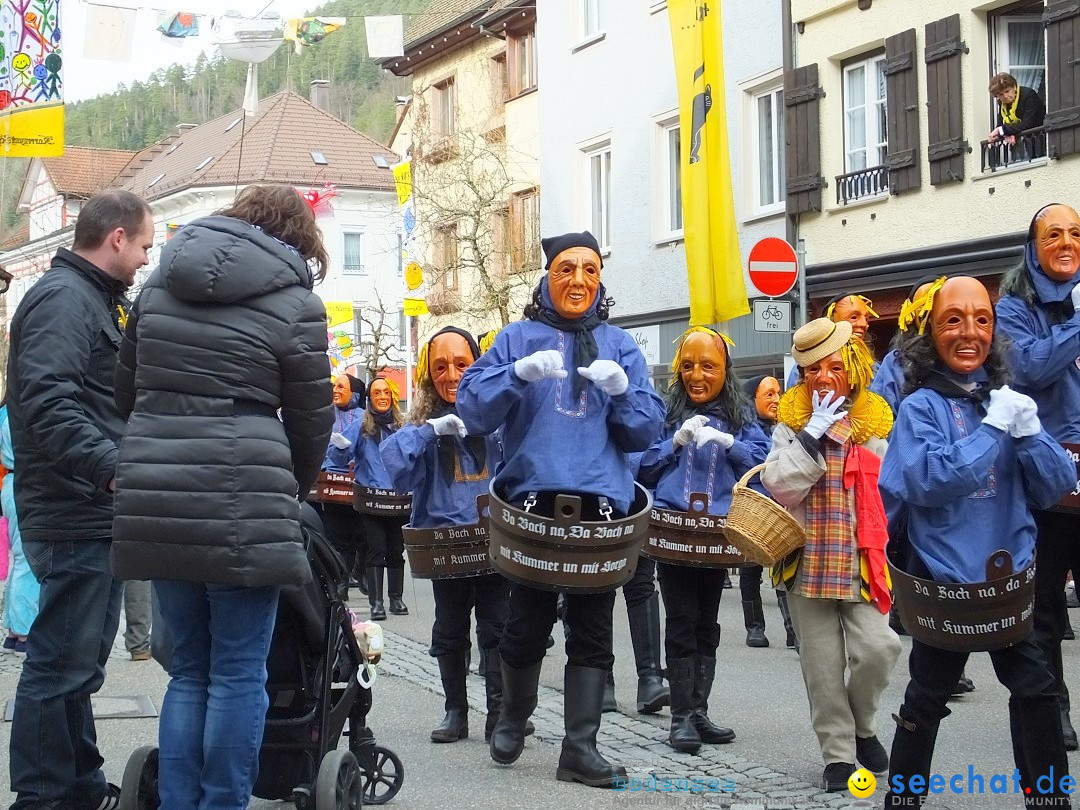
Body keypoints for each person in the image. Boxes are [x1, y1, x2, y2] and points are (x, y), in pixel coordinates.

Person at [110, 183, 334, 808]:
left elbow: (124, 395)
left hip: (159, 490)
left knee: (190, 670)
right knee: (239, 671)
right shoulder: (294, 303)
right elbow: (313, 421)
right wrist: (292, 488)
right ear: (297, 242)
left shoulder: (156, 288)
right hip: (248, 491)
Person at [457, 230, 665, 788]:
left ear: (601, 282)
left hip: (601, 509)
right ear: (547, 277)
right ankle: (513, 716)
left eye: (590, 271)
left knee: (594, 628)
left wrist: (625, 391)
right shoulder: (516, 337)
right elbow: (472, 409)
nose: (578, 280)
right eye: (567, 269)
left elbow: (644, 432)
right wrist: (515, 373)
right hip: (532, 504)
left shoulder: (621, 345)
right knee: (525, 623)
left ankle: (579, 749)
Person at [879, 275, 1074, 808]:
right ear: (930, 334)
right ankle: (905, 800)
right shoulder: (921, 407)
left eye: (982, 319)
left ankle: (1049, 799)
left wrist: (1031, 432)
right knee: (925, 701)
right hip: (946, 586)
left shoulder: (1007, 400)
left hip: (1010, 582)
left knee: (1037, 692)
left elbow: (1058, 486)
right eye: (953, 320)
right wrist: (993, 431)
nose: (970, 332)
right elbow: (929, 480)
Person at [5, 189, 154, 810]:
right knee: (59, 665)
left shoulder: (94, 299)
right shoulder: (66, 300)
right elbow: (44, 402)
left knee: (78, 663)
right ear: (115, 237)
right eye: (144, 244)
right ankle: (42, 797)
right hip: (74, 508)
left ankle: (80, 787)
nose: (146, 259)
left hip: (88, 509)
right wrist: (111, 468)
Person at [761, 317, 901, 792]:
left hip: (862, 560)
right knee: (821, 667)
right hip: (807, 563)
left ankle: (863, 725)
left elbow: (894, 487)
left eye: (835, 367)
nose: (824, 378)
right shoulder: (791, 424)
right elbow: (777, 486)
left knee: (879, 649)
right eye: (813, 370)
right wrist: (811, 436)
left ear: (855, 369)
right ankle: (839, 754)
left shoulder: (875, 421)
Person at [637, 327, 770, 753]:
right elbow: (642, 468)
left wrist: (730, 443)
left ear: (724, 370)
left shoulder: (742, 415)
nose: (697, 374)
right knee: (680, 619)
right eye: (689, 365)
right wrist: (673, 443)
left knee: (706, 622)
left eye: (708, 366)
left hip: (716, 537)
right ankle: (680, 718)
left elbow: (763, 466)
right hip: (673, 533)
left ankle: (698, 711)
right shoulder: (665, 412)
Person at [381, 326, 513, 744]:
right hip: (445, 550)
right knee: (450, 630)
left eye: (462, 363)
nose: (452, 374)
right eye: (441, 366)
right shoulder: (422, 426)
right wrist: (430, 432)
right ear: (427, 374)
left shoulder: (498, 417)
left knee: (497, 627)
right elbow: (394, 469)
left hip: (494, 544)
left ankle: (499, 714)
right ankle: (455, 710)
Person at [996, 203, 1080, 751]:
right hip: (1047, 476)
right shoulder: (1012, 307)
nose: (1067, 243)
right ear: (1034, 246)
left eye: (1076, 233)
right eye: (1054, 235)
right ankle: (1055, 710)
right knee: (1045, 606)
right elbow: (1027, 368)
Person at [738, 374, 796, 650]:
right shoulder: (743, 429)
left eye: (778, 393)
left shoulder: (786, 428)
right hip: (753, 507)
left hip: (782, 508)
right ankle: (755, 627)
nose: (776, 399)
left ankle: (791, 629)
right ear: (753, 399)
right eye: (769, 394)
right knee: (750, 569)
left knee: (784, 564)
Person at [352, 376, 409, 619]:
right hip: (371, 500)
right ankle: (376, 603)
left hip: (398, 500)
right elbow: (341, 452)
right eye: (377, 393)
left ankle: (396, 599)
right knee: (376, 549)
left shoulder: (403, 426)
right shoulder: (361, 427)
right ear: (370, 398)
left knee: (396, 550)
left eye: (386, 392)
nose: (382, 396)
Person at [319, 373, 367, 601]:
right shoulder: (325, 415)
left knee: (361, 535)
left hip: (360, 484)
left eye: (341, 386)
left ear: (355, 394)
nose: (335, 390)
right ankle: (341, 582)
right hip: (331, 485)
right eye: (333, 386)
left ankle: (360, 572)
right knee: (337, 537)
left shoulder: (365, 417)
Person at [0, 402, 38, 657]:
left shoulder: (5, 412)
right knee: (27, 557)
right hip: (23, 483)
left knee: (20, 557)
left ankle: (13, 630)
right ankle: (24, 631)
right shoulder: (22, 411)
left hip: (11, 482)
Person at [785, 293, 878, 389]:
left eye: (866, 319)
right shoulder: (805, 368)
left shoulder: (874, 368)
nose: (863, 324)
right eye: (854, 317)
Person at [987, 72, 1046, 148]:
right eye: (1000, 94)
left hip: (1043, 139)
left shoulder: (1028, 95)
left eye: (1007, 91)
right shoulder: (1002, 104)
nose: (1005, 96)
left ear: (1014, 87)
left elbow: (1027, 123)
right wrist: (1006, 135)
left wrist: (1002, 130)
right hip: (1027, 143)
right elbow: (1000, 125)